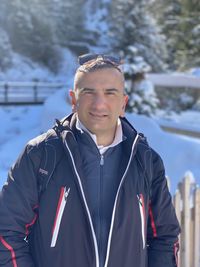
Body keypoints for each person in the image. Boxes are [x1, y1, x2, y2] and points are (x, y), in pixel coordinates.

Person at [0, 54, 180, 267]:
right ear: (73, 100)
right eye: (88, 92)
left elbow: (165, 238)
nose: (99, 103)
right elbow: (7, 231)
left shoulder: (146, 161)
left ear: (123, 103)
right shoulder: (40, 155)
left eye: (110, 93)